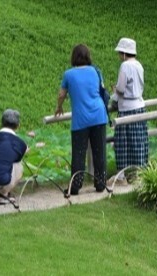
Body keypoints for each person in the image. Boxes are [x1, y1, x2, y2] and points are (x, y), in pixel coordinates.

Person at [55, 44, 107, 195]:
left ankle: (76, 186)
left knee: (79, 153)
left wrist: (59, 107)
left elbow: (61, 95)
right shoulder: (95, 71)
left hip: (81, 119)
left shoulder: (69, 74)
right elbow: (100, 89)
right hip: (99, 115)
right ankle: (100, 183)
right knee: (99, 151)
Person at [108, 38, 148, 185]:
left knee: (123, 142)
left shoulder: (125, 66)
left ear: (124, 53)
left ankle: (121, 175)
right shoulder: (139, 65)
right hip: (140, 106)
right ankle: (140, 172)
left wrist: (114, 92)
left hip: (127, 108)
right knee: (138, 141)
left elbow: (121, 88)